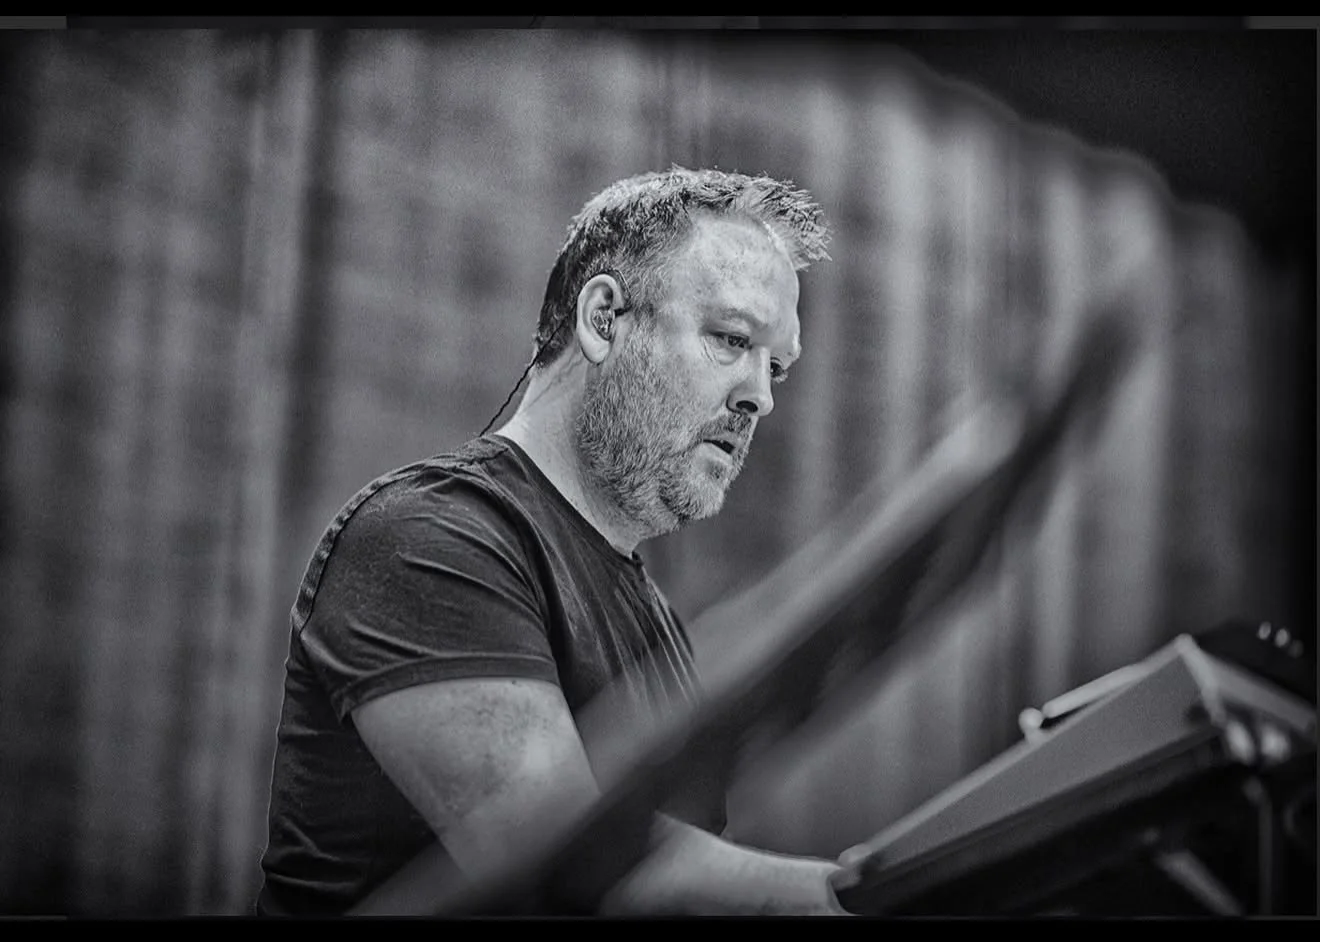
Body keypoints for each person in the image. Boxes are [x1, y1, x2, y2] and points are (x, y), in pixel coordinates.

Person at [256, 166, 848, 916]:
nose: (760, 395)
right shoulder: (426, 538)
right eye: (733, 339)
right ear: (602, 319)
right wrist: (858, 896)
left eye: (777, 367)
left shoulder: (656, 619)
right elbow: (576, 868)